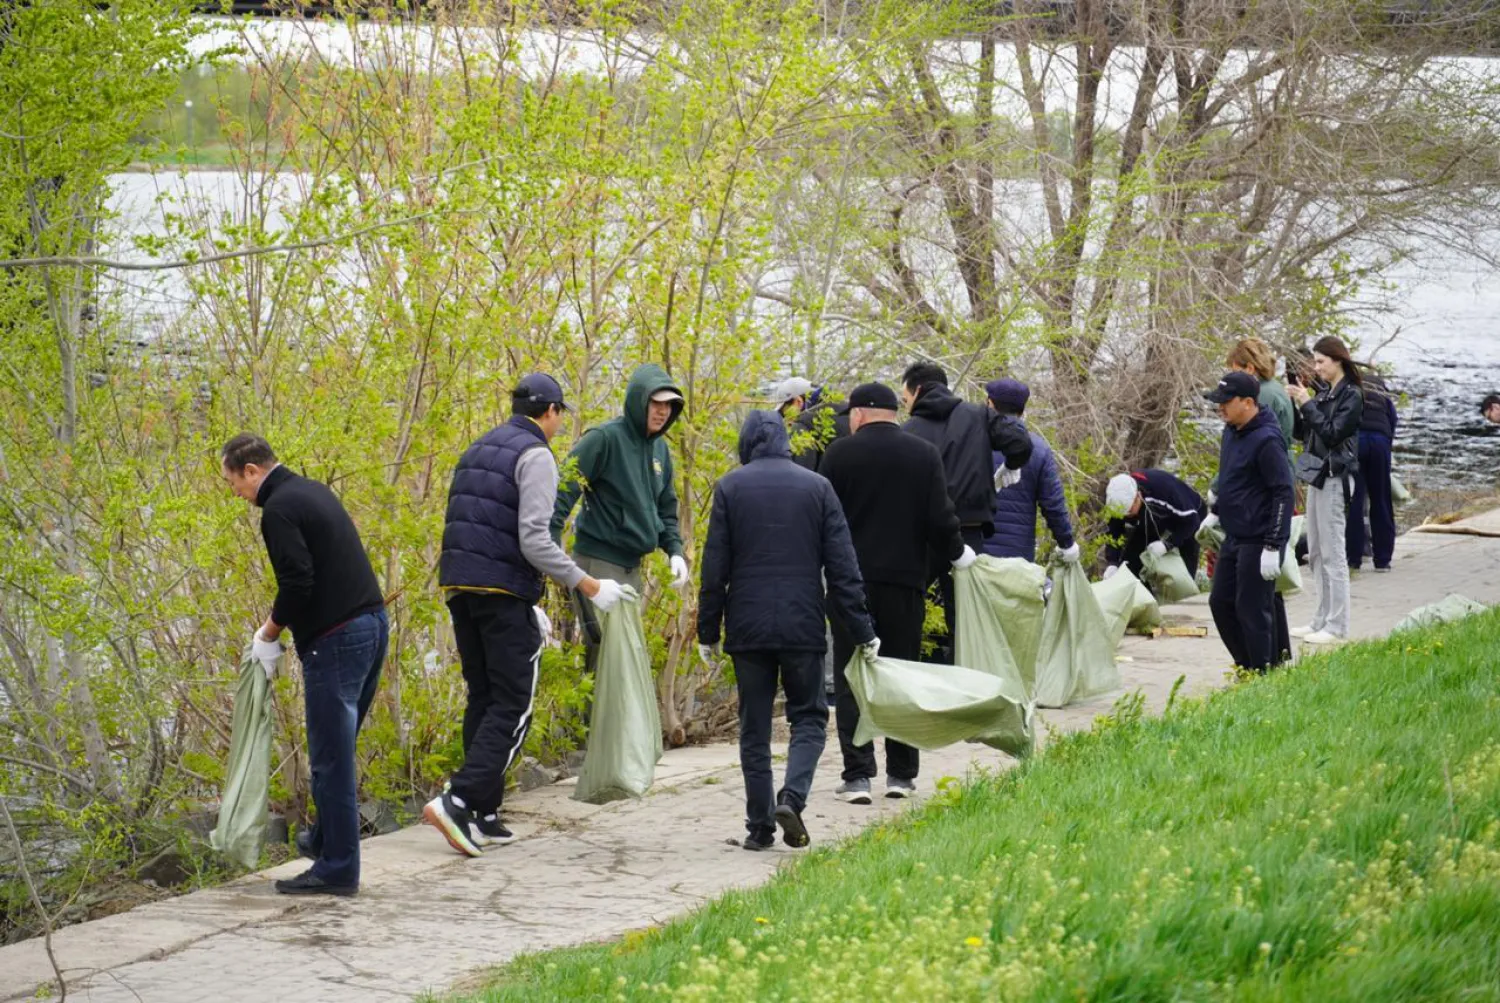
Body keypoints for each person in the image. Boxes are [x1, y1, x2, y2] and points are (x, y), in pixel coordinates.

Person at [427, 374, 624, 857]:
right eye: (561, 416)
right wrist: (588, 584)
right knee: (514, 704)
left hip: (460, 587)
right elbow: (535, 538)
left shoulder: (478, 447)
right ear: (551, 412)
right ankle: (459, 800)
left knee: (485, 697)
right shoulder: (535, 455)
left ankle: (484, 812)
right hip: (502, 591)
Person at [697, 411, 876, 851]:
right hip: (803, 623)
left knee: (754, 728)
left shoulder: (730, 487)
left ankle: (759, 827)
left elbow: (714, 566)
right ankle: (792, 798)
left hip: (748, 625)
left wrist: (708, 629)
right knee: (810, 717)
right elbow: (843, 568)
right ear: (786, 441)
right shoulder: (816, 487)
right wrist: (862, 629)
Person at [222, 434, 387, 897]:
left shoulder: (279, 510)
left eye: (234, 482)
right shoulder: (312, 490)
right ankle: (323, 840)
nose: (236, 492)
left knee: (331, 759)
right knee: (337, 748)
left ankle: (337, 869)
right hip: (372, 624)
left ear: (252, 470)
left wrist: (268, 634)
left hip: (336, 639)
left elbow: (297, 582)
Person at [819, 382, 972, 803]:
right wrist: (958, 555)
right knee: (903, 671)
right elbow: (941, 518)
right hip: (906, 581)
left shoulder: (838, 455)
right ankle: (901, 775)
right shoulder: (923, 455)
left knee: (853, 675)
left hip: (850, 584)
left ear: (859, 414)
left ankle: (857, 775)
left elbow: (823, 519)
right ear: (892, 412)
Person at [551, 363, 690, 671]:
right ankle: (590, 721)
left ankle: (610, 721)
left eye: (669, 405)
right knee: (606, 652)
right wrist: (548, 553)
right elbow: (560, 495)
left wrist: (675, 551)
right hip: (598, 562)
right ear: (639, 401)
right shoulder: (604, 439)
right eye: (656, 403)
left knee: (622, 658)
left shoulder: (660, 451)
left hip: (632, 567)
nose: (663, 411)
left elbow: (667, 509)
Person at [900, 362, 1032, 661]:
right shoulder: (978, 415)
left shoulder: (908, 431)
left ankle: (912, 674)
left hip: (922, 534)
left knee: (910, 605)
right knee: (965, 614)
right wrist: (1010, 467)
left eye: (905, 397)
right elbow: (1020, 442)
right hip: (969, 529)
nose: (904, 404)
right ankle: (969, 680)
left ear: (918, 390)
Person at [1201, 372, 1294, 672]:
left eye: (1226, 403)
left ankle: (1262, 673)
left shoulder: (1267, 440)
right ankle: (1247, 666)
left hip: (1260, 536)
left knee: (1252, 609)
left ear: (1248, 403)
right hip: (1234, 533)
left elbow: (1283, 491)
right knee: (1220, 602)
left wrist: (1273, 544)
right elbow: (1231, 476)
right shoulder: (1231, 430)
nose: (1220, 408)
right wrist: (1216, 509)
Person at [1287, 337, 1363, 645]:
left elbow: (1332, 434)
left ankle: (1337, 625)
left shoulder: (1352, 395)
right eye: (1315, 362)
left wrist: (1307, 403)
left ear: (1338, 360)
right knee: (1315, 552)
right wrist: (1297, 404)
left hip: (1336, 476)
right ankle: (1321, 618)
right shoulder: (1325, 393)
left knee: (1334, 553)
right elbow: (1301, 433)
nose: (1316, 368)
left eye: (1321, 362)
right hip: (1317, 475)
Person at [980, 378, 1078, 564]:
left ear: (990, 404)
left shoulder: (971, 442)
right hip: (1018, 560)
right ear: (1022, 410)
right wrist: (1067, 543)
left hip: (974, 554)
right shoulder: (1038, 450)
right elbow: (1053, 505)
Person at [1102, 469, 1207, 579]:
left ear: (1138, 496)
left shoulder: (1163, 491)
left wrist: (1167, 545)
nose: (1127, 516)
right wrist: (1112, 563)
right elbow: (1114, 532)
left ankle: (1185, 590)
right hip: (1151, 518)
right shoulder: (1116, 503)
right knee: (1131, 564)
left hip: (1188, 516)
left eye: (1129, 511)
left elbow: (1192, 522)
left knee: (1182, 573)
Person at [1347, 371, 1399, 573]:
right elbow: (1393, 419)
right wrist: (1387, 444)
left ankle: (1354, 558)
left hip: (1357, 441)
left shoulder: (1349, 387)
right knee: (1381, 498)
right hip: (1379, 441)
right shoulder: (1380, 388)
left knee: (1354, 500)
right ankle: (1383, 559)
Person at [1226, 338, 1295, 449]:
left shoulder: (1261, 395)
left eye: (1235, 372)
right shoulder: (1274, 387)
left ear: (1249, 368)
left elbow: (1253, 441)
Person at [773, 377, 850, 471]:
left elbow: (802, 473)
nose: (786, 419)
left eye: (784, 413)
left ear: (798, 402)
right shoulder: (851, 411)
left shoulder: (803, 425)